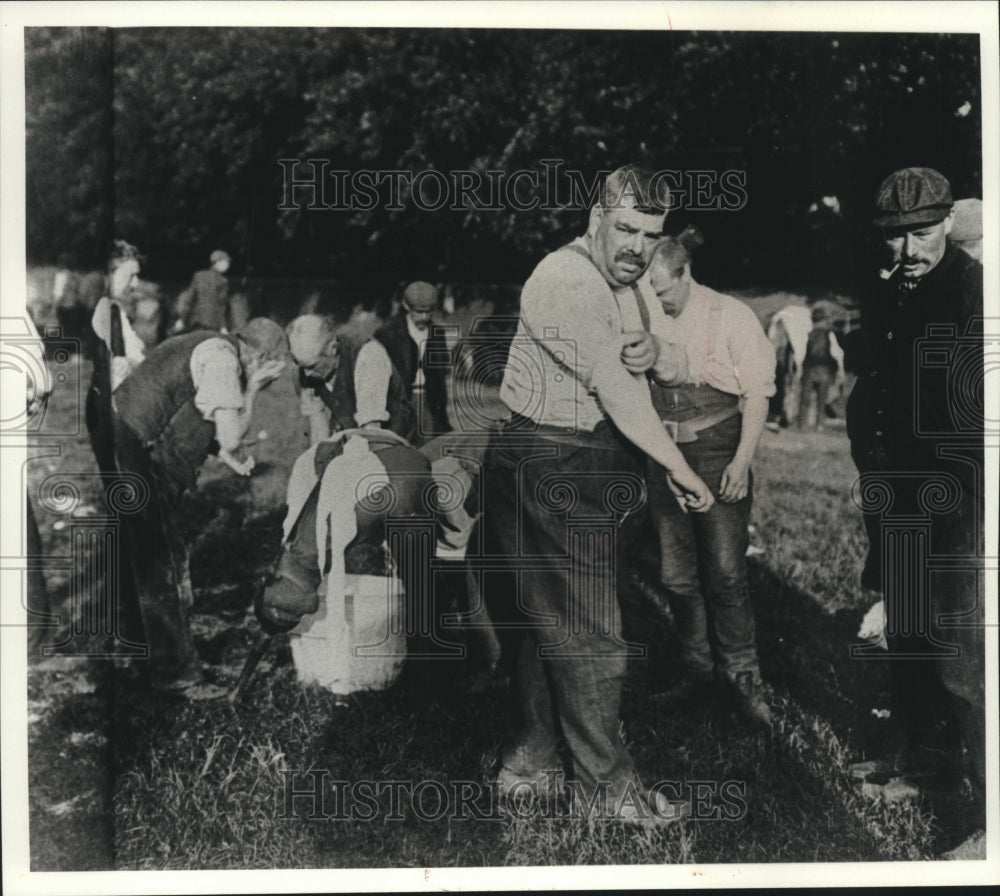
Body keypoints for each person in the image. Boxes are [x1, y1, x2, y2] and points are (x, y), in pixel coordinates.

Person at [484, 165, 713, 823]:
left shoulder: (632, 280)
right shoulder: (561, 279)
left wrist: (653, 351)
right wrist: (683, 468)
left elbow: (668, 356)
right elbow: (616, 391)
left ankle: (527, 761)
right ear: (595, 219)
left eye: (651, 233)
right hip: (548, 456)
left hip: (591, 457)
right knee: (591, 630)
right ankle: (608, 793)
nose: (639, 247)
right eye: (626, 229)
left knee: (546, 619)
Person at [846, 167, 985, 859]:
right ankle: (923, 768)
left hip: (957, 501)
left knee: (963, 658)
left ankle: (990, 821)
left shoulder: (973, 290)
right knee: (910, 639)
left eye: (921, 236)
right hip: (897, 493)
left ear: (948, 226)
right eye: (894, 238)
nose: (907, 252)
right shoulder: (890, 290)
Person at [111, 317, 288, 698]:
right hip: (136, 452)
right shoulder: (226, 360)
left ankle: (135, 653)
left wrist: (229, 456)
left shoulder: (211, 345)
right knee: (166, 566)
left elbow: (204, 419)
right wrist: (254, 389)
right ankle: (176, 674)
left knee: (142, 560)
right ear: (259, 357)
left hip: (123, 442)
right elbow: (230, 431)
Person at [643, 237, 777, 725]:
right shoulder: (646, 314)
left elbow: (758, 395)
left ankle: (743, 681)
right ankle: (695, 672)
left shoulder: (731, 315)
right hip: (663, 452)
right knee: (675, 574)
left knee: (724, 570)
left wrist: (741, 463)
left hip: (718, 447)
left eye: (661, 289)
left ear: (684, 273)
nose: (654, 299)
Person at [287, 313, 417, 445]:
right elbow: (318, 430)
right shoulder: (303, 370)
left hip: (394, 441)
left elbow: (372, 431)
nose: (306, 374)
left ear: (332, 348)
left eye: (312, 366)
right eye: (299, 364)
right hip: (353, 438)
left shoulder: (368, 357)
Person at [85, 240, 147, 475]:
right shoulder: (107, 311)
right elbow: (120, 369)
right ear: (110, 273)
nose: (136, 284)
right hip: (111, 411)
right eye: (131, 276)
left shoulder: (116, 311)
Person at [366, 281, 453, 442]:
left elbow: (441, 378)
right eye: (419, 312)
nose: (424, 317)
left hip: (428, 402)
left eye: (429, 312)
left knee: (429, 451)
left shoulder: (437, 334)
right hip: (399, 403)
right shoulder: (388, 334)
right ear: (406, 306)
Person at [797, 305, 840, 431]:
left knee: (805, 397)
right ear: (824, 320)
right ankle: (819, 424)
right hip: (824, 369)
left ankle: (802, 424)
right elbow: (836, 352)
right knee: (822, 398)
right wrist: (838, 369)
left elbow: (801, 353)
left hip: (809, 368)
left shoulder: (808, 335)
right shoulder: (829, 334)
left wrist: (800, 367)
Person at [177, 249, 237, 333]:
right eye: (226, 262)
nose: (228, 265)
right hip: (212, 325)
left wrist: (181, 319)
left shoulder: (198, 276)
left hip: (194, 323)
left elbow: (189, 298)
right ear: (218, 262)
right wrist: (223, 327)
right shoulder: (223, 281)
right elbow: (221, 306)